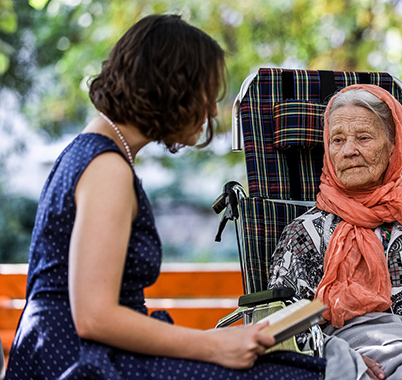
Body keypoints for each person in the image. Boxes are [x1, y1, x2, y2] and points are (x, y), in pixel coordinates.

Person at [5, 15, 325, 380]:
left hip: (71, 349)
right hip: (76, 361)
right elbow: (94, 317)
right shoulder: (108, 168)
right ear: (172, 88)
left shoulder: (98, 152)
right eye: (205, 92)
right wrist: (217, 345)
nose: (210, 111)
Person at [269, 84, 402, 380]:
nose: (349, 151)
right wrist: (340, 357)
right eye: (338, 139)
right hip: (347, 358)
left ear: (393, 145)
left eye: (364, 137)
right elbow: (284, 326)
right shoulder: (304, 234)